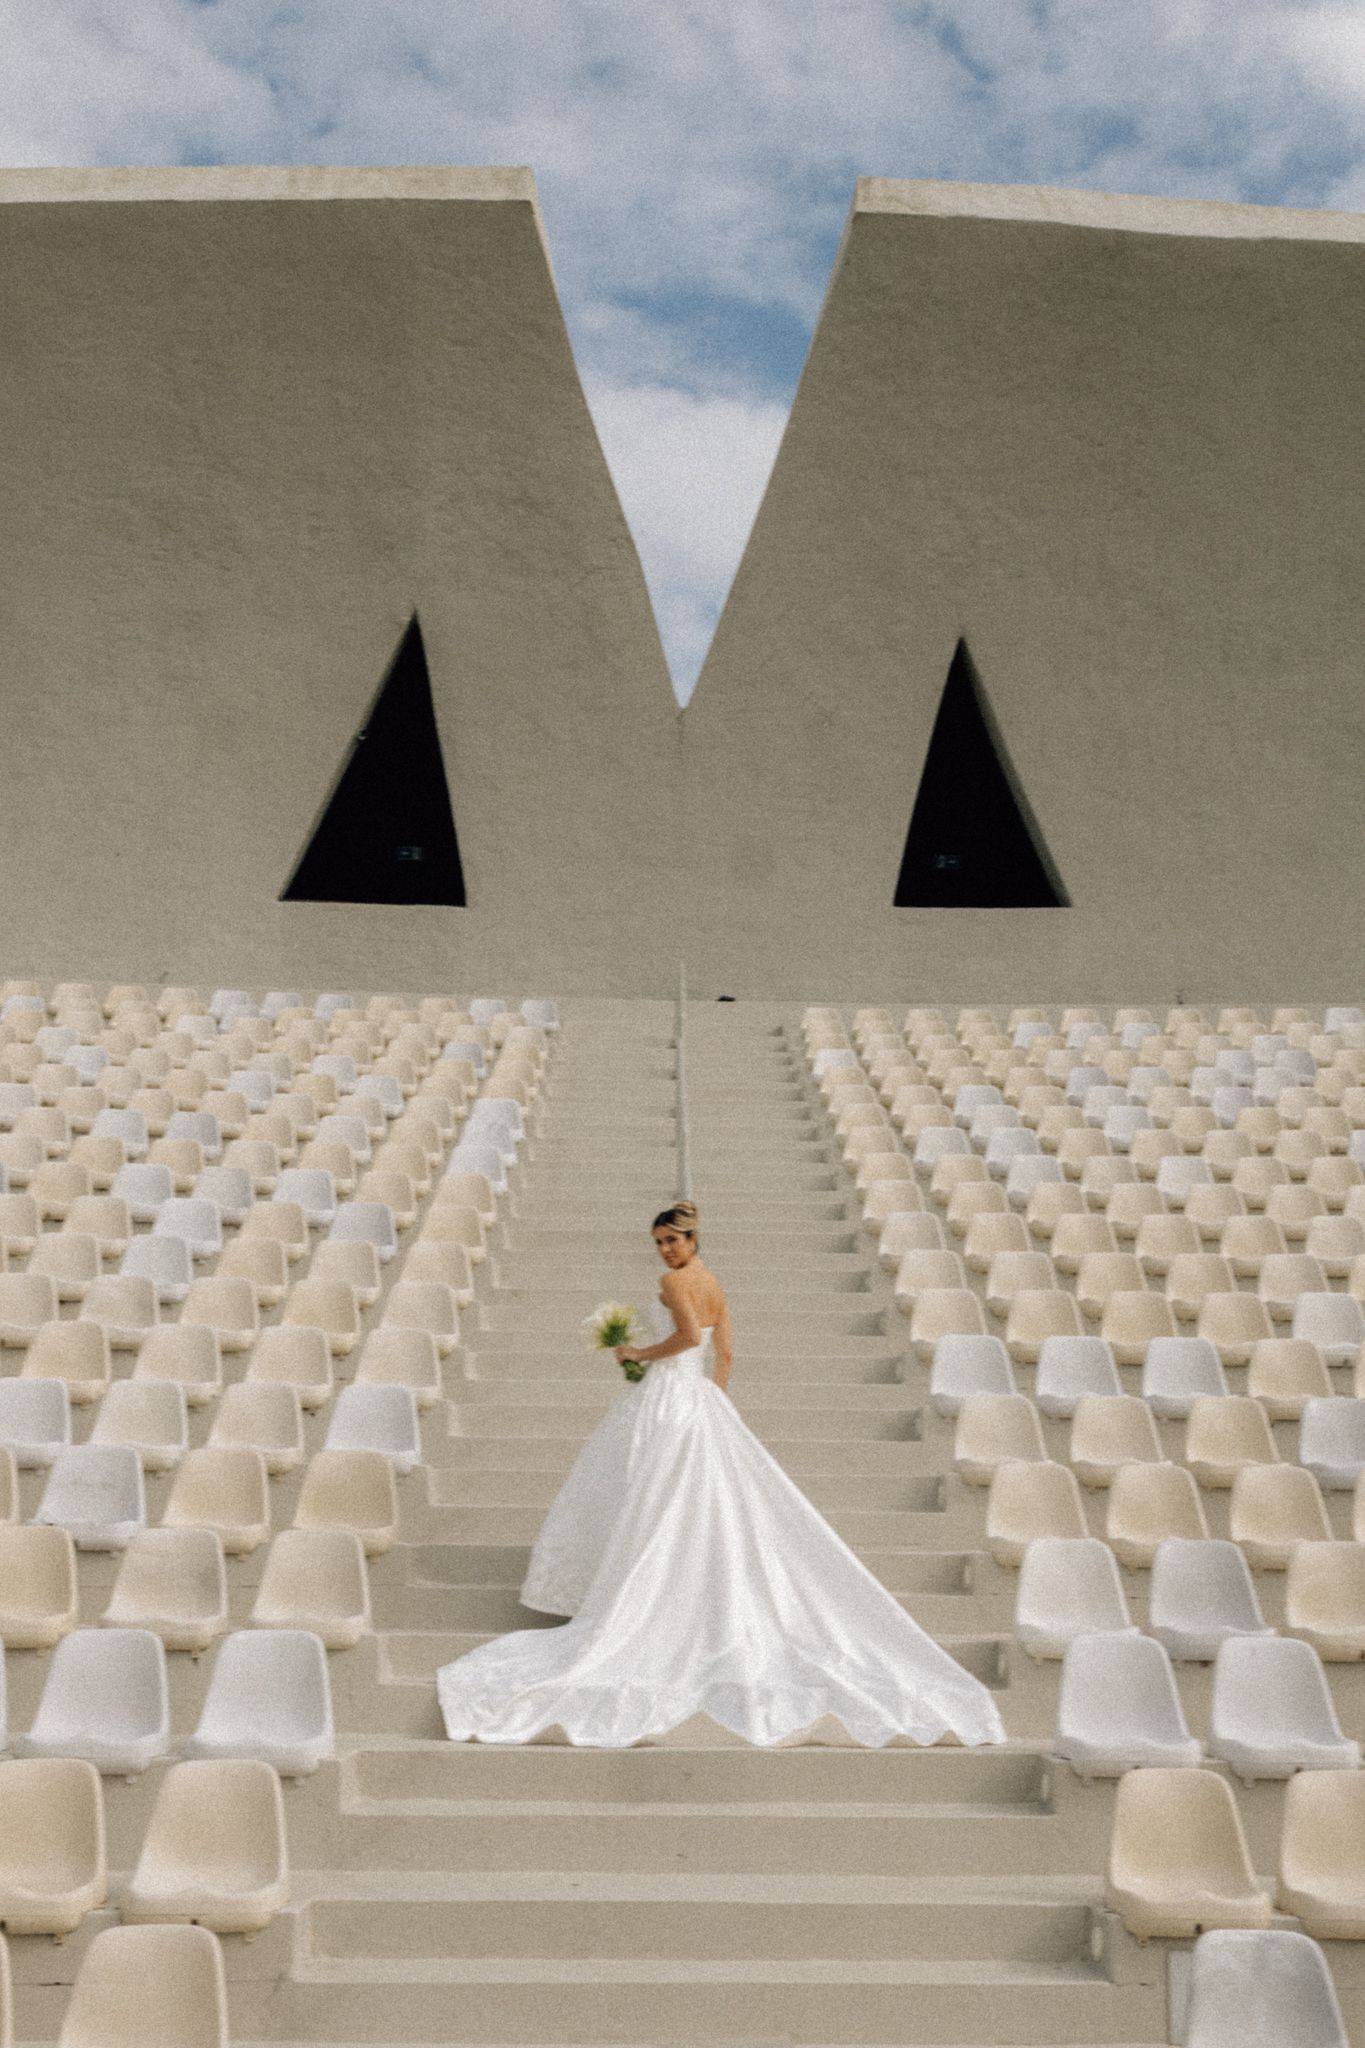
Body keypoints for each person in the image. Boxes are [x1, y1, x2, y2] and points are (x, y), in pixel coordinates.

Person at [436, 1200, 1005, 1748]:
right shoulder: (714, 1284)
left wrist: (636, 1354)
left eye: (672, 1240)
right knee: (686, 1502)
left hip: (666, 1399)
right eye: (658, 1243)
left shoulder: (674, 1283)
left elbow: (687, 1338)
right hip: (698, 1398)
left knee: (650, 1496)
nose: (665, 1250)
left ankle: (648, 1607)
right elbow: (723, 1354)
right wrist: (714, 1403)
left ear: (692, 1239)